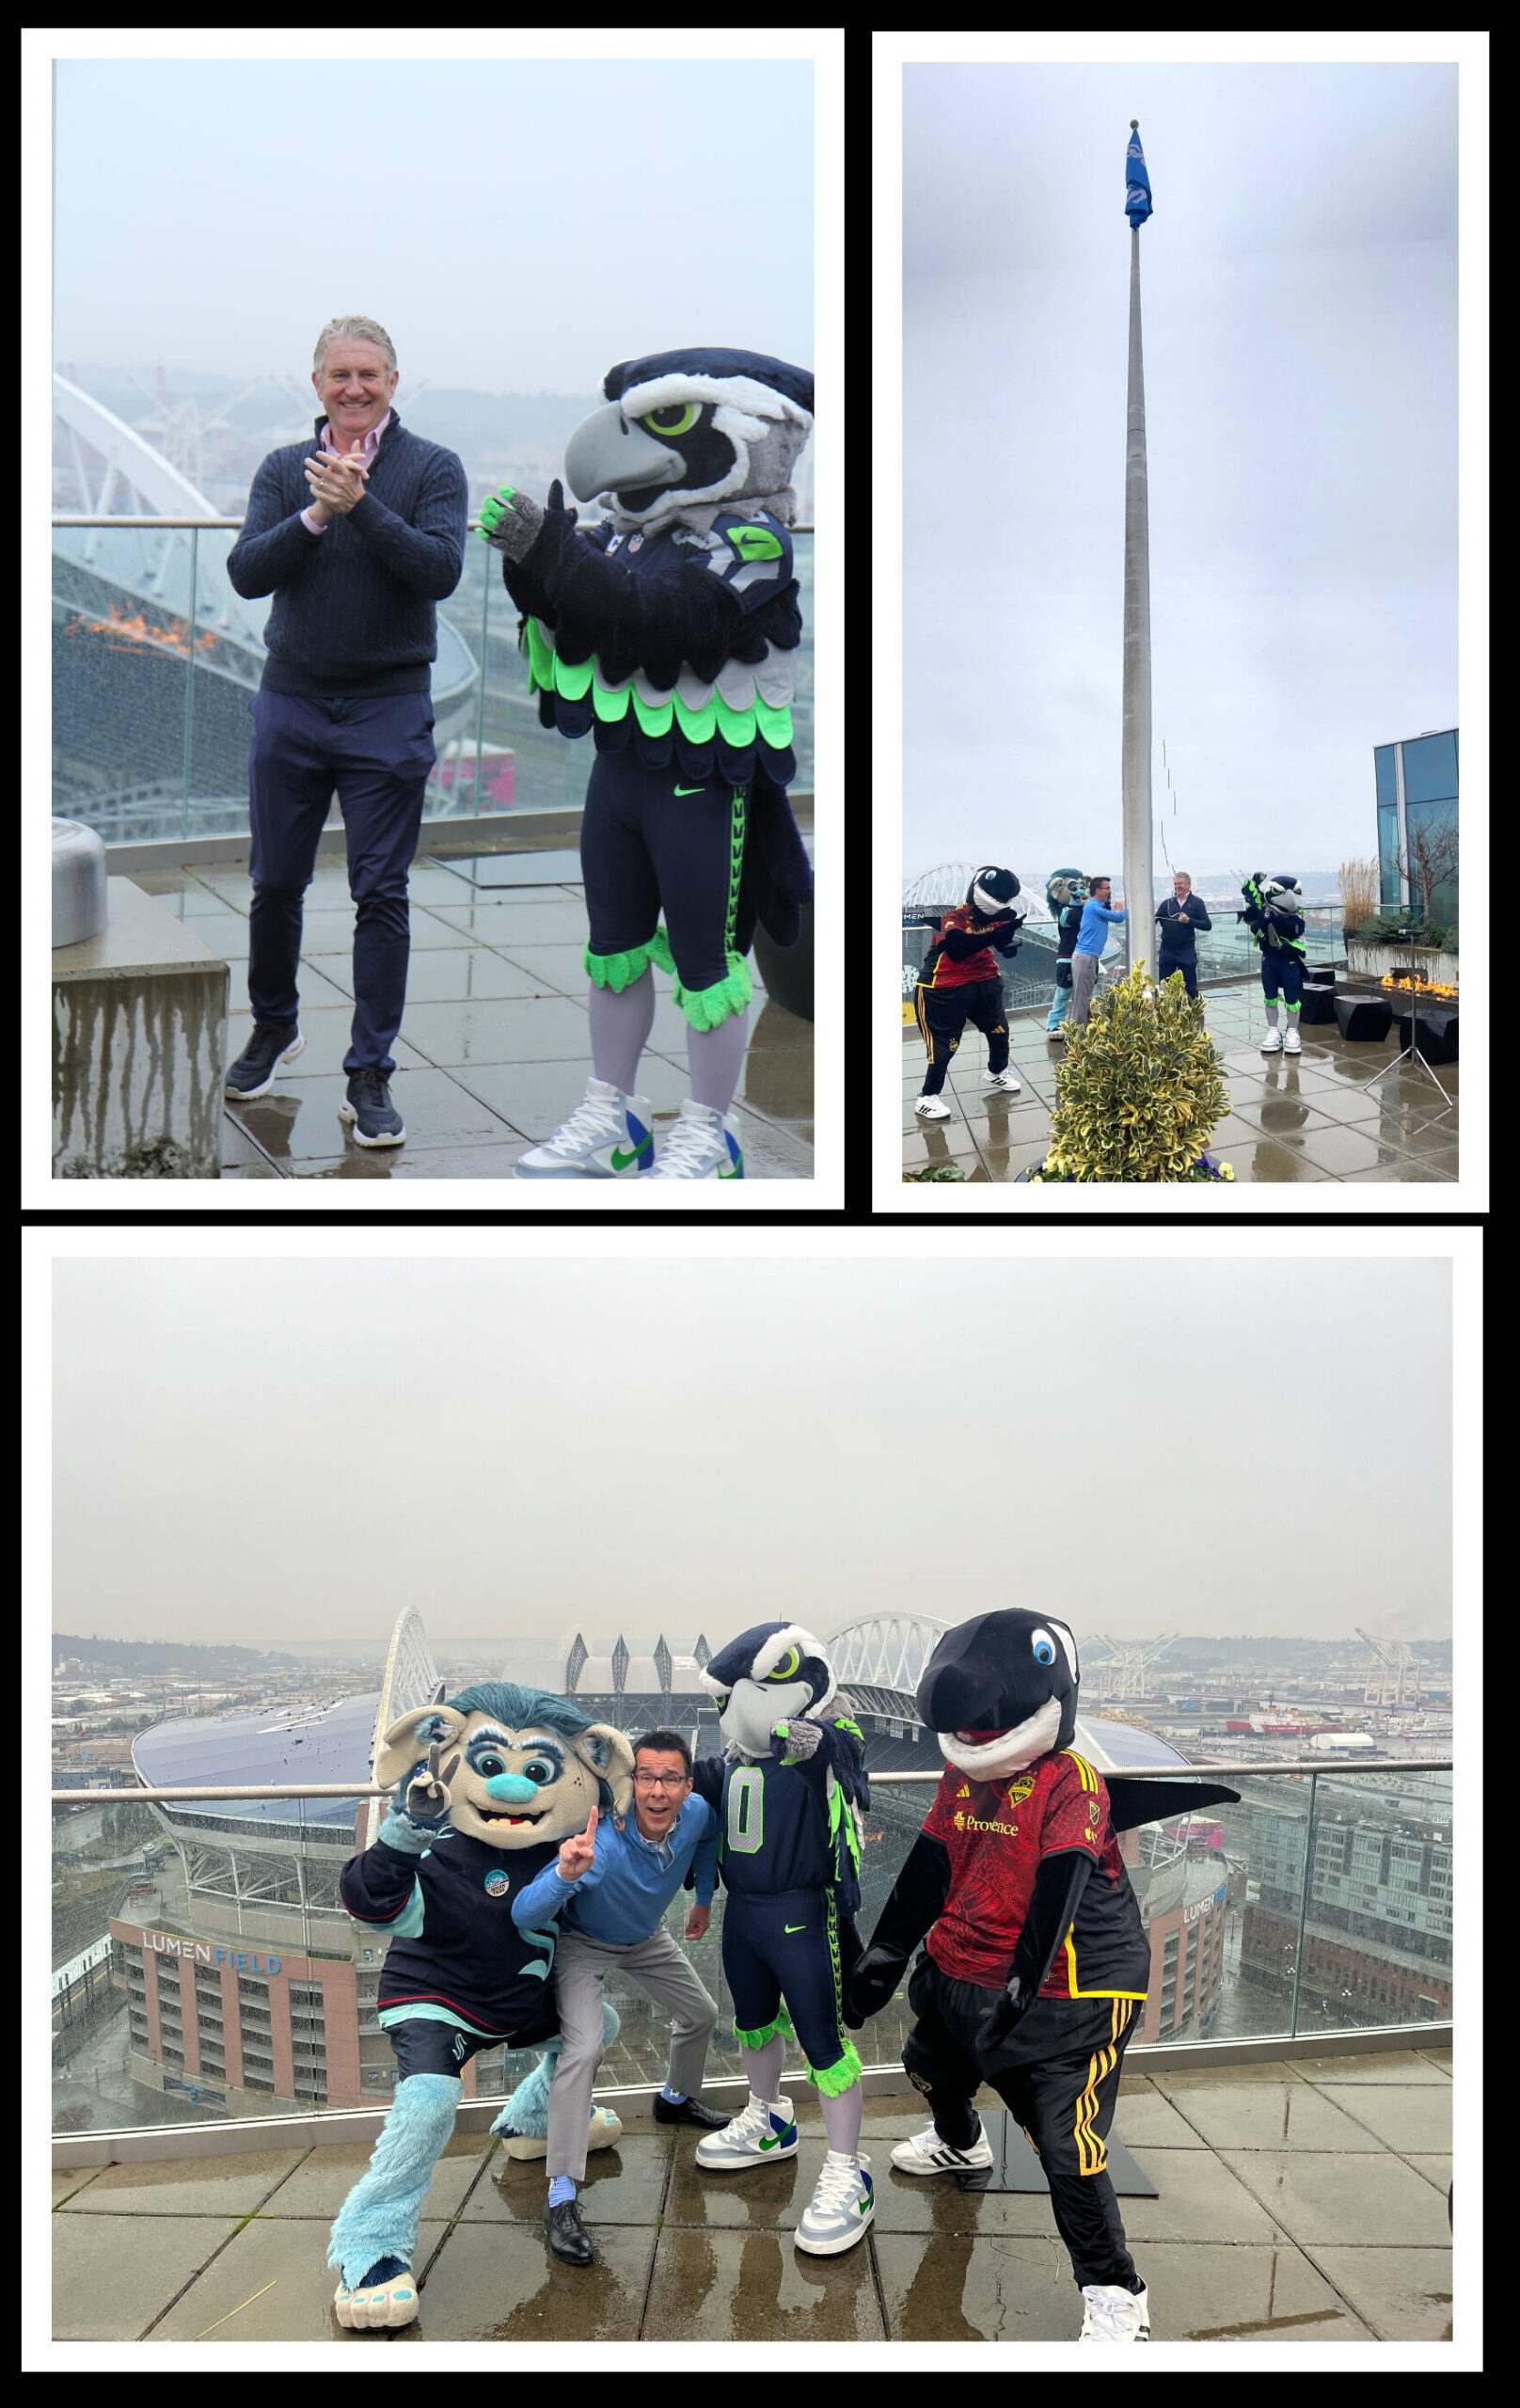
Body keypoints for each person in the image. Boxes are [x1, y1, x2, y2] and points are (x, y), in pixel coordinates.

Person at [843, 1608, 1236, 2345]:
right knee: (928, 2064)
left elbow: (1061, 1881)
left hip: (1072, 1991)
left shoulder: (1070, 1782)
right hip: (967, 1969)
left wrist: (1023, 1986)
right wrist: (885, 1953)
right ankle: (961, 2141)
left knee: (1065, 2141)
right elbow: (929, 1868)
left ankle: (1116, 2287)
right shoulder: (961, 1781)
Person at [479, 347, 814, 1180]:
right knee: (614, 945)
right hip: (621, 767)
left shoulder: (753, 542)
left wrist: (558, 556)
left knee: (709, 966)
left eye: (666, 419)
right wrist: (533, 568)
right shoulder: (626, 542)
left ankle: (709, 1134)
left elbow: (671, 622)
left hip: (707, 780)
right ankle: (612, 1114)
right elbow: (583, 618)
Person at [223, 317, 467, 1148]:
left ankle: (370, 1075)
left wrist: (361, 507)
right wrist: (315, 519)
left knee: (382, 893)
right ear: (317, 383)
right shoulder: (280, 469)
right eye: (339, 375)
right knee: (274, 882)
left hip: (387, 703)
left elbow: (439, 569)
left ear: (395, 381)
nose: (354, 388)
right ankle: (272, 1025)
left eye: (369, 374)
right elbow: (247, 573)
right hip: (291, 697)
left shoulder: (433, 468)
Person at [506, 1730, 727, 2267]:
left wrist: (701, 1898)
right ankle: (560, 2196)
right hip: (586, 1946)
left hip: (647, 1937)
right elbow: (523, 1913)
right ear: (631, 1783)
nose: (657, 1791)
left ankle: (674, 2099)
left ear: (687, 1786)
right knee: (583, 2051)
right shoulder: (600, 1843)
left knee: (701, 2013)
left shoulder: (696, 1813)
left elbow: (709, 1840)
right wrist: (564, 1874)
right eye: (646, 1777)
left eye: (670, 1778)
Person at [690, 1622, 873, 2256]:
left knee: (822, 2040)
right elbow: (691, 1782)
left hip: (802, 1909)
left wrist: (792, 1731)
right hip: (743, 1912)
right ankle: (768, 2117)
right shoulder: (732, 1763)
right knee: (754, 2019)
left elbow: (837, 1755)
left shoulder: (824, 1741)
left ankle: (849, 2169)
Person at [908, 866, 1026, 1120]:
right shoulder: (955, 917)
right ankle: (927, 1097)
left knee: (999, 1031)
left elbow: (1003, 944)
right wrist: (996, 934)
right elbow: (957, 949)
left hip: (984, 981)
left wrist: (1009, 944)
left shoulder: (1001, 917)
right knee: (946, 1045)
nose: (1003, 902)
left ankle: (997, 1071)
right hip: (943, 986)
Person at [1239, 872, 1307, 1054]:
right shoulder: (1265, 915)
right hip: (1269, 960)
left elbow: (1295, 931)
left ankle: (1292, 1031)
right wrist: (1258, 913)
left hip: (1289, 962)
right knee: (1270, 996)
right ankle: (1273, 1030)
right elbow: (1254, 927)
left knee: (1292, 997)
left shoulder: (1296, 917)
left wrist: (1270, 918)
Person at [1069, 876, 1127, 1026]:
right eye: (1107, 888)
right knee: (1081, 1000)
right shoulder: (1093, 906)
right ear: (1097, 890)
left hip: (1086, 958)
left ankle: (1082, 1033)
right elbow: (1118, 917)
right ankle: (1076, 1038)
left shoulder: (1095, 906)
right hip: (1085, 958)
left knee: (1082, 997)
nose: (1109, 891)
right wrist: (1121, 910)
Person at [1043, 870, 1088, 1040]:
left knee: (1089, 991)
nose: (1079, 890)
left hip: (1087, 955)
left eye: (1081, 886)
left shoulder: (1087, 909)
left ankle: (1088, 1022)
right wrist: (1078, 902)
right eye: (1073, 886)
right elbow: (1070, 919)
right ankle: (1054, 1023)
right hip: (1067, 956)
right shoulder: (1065, 910)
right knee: (1064, 991)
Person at [1153, 870, 1211, 998]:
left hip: (1186, 951)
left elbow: (1207, 925)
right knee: (1165, 986)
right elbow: (1154, 920)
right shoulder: (1167, 903)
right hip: (1167, 950)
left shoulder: (1197, 902)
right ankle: (1166, 1015)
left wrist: (1189, 921)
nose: (1177, 886)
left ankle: (1194, 1014)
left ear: (1188, 885)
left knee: (1190, 986)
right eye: (1175, 884)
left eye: (1181, 883)